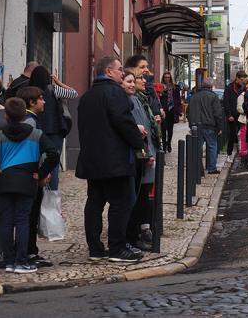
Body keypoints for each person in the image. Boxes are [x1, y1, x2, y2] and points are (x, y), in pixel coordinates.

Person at [76, 57, 146, 263]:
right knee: (121, 203)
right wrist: (138, 144)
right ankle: (117, 248)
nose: (122, 74)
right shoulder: (115, 92)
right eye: (119, 70)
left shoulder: (87, 96)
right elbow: (123, 122)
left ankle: (95, 249)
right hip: (114, 160)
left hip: (92, 159)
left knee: (95, 203)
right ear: (108, 72)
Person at [0, 98, 59, 274]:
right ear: (25, 113)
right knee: (23, 221)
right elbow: (53, 154)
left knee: (6, 222)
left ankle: (8, 261)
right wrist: (41, 173)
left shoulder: (0, 135)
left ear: (7, 115)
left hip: (4, 182)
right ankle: (22, 261)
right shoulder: (36, 134)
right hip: (27, 181)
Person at [121, 71, 157, 251]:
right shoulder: (130, 101)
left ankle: (142, 231)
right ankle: (134, 236)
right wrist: (146, 153)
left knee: (142, 195)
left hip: (142, 154)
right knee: (136, 197)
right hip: (137, 157)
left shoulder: (140, 99)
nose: (144, 81)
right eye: (140, 77)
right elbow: (136, 132)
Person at [28, 66, 77, 192]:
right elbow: (74, 93)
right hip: (55, 131)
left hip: (36, 130)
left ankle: (36, 192)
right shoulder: (53, 89)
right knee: (53, 164)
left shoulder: (29, 92)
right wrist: (58, 82)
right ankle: (51, 194)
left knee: (34, 162)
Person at [187, 78, 224, 174]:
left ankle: (198, 169)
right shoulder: (213, 96)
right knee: (212, 146)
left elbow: (188, 112)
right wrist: (219, 127)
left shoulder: (194, 96)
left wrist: (191, 124)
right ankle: (211, 168)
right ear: (211, 86)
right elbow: (217, 113)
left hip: (196, 126)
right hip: (209, 125)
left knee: (197, 147)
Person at [125, 55, 164, 125]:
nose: (147, 70)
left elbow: (152, 98)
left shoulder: (144, 88)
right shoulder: (132, 93)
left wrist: (158, 111)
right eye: (142, 67)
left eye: (147, 67)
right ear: (132, 69)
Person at [223, 71, 247, 157]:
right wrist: (229, 115)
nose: (242, 82)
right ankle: (229, 153)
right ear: (237, 78)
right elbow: (226, 102)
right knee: (232, 134)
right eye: (241, 80)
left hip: (241, 114)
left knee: (243, 133)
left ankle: (242, 150)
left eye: (243, 80)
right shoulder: (229, 88)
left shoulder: (243, 88)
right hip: (232, 115)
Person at [159, 72, 182, 153]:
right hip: (164, 110)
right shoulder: (160, 87)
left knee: (170, 129)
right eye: (165, 77)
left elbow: (178, 100)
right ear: (163, 78)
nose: (167, 79)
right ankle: (164, 146)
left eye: (168, 77)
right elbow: (158, 98)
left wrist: (179, 110)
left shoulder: (174, 87)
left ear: (170, 78)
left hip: (172, 110)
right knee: (163, 128)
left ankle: (169, 143)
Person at [236, 78, 248, 161]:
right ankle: (245, 154)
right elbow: (239, 108)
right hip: (245, 120)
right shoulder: (241, 96)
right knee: (244, 138)